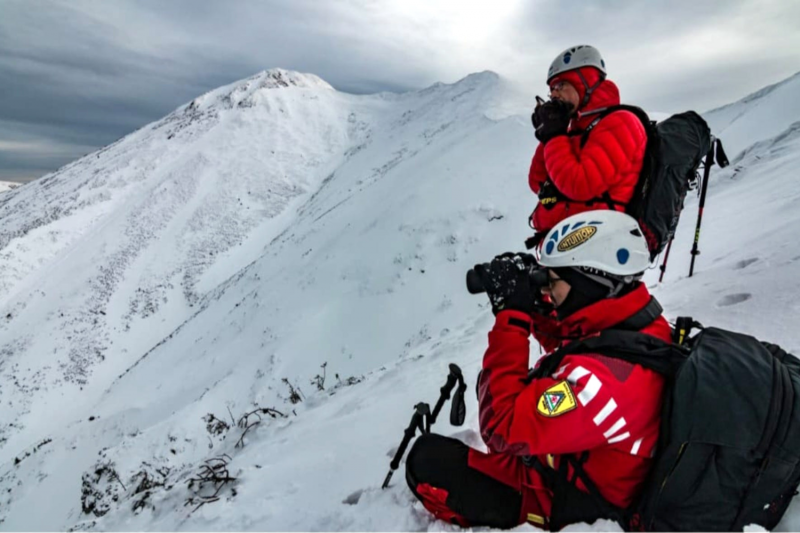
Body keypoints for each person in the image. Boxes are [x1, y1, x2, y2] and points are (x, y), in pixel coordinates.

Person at [405, 210, 668, 529]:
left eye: (554, 282)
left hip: (560, 498)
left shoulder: (597, 387)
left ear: (588, 284)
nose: (547, 291)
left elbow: (500, 427)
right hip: (575, 460)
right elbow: (582, 339)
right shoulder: (644, 327)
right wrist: (536, 306)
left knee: (427, 461)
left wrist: (512, 318)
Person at [528, 45, 647, 246]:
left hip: (602, 248)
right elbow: (538, 182)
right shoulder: (574, 131)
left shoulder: (621, 122)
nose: (555, 94)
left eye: (561, 85)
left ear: (585, 82)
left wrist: (554, 136)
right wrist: (548, 135)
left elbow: (579, 184)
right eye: (552, 89)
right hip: (566, 248)